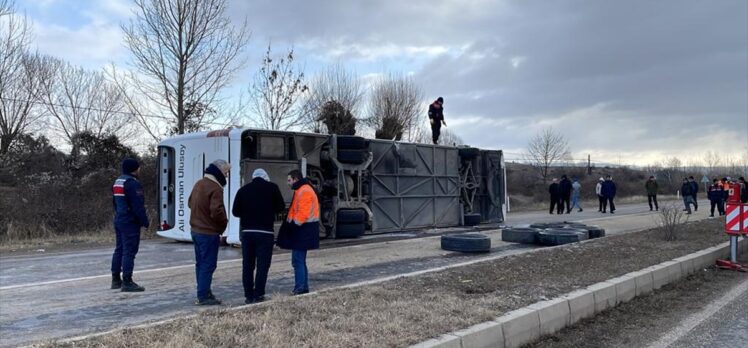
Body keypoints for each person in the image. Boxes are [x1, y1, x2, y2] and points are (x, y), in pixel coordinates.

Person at [232, 168, 286, 304]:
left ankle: (248, 295)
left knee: (248, 265)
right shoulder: (272, 188)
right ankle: (259, 293)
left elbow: (235, 211)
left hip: (247, 232)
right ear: (265, 177)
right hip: (265, 232)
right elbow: (280, 207)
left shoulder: (243, 190)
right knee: (263, 265)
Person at [188, 159, 231, 305]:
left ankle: (204, 290)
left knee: (200, 263)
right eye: (226, 173)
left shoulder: (199, 184)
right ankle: (203, 295)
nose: (226, 176)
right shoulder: (215, 188)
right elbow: (216, 211)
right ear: (219, 172)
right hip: (208, 232)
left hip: (195, 230)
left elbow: (189, 203)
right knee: (208, 264)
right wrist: (223, 224)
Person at [111, 158, 149, 292]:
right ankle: (127, 282)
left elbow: (115, 202)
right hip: (130, 222)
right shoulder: (133, 184)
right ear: (135, 169)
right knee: (129, 251)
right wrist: (145, 222)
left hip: (119, 219)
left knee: (119, 249)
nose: (140, 170)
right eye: (139, 168)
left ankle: (116, 280)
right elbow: (138, 206)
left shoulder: (118, 182)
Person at [279, 169, 320, 295]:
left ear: (296, 179)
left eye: (289, 180)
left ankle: (300, 287)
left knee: (297, 260)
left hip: (303, 231)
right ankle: (302, 286)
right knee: (299, 260)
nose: (288, 183)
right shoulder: (303, 189)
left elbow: (303, 213)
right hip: (304, 230)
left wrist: (293, 226)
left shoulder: (304, 191)